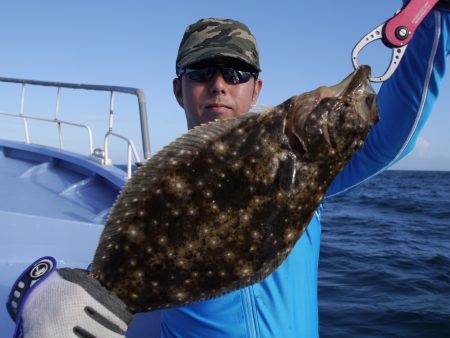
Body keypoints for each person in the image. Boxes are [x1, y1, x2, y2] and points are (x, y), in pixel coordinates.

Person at [7, 4, 449, 338]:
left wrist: (435, 19)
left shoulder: (312, 168)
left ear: (257, 88)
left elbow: (391, 129)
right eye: (202, 71)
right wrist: (63, 301)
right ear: (180, 90)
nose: (219, 83)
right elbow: (125, 265)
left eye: (236, 72)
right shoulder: (161, 194)